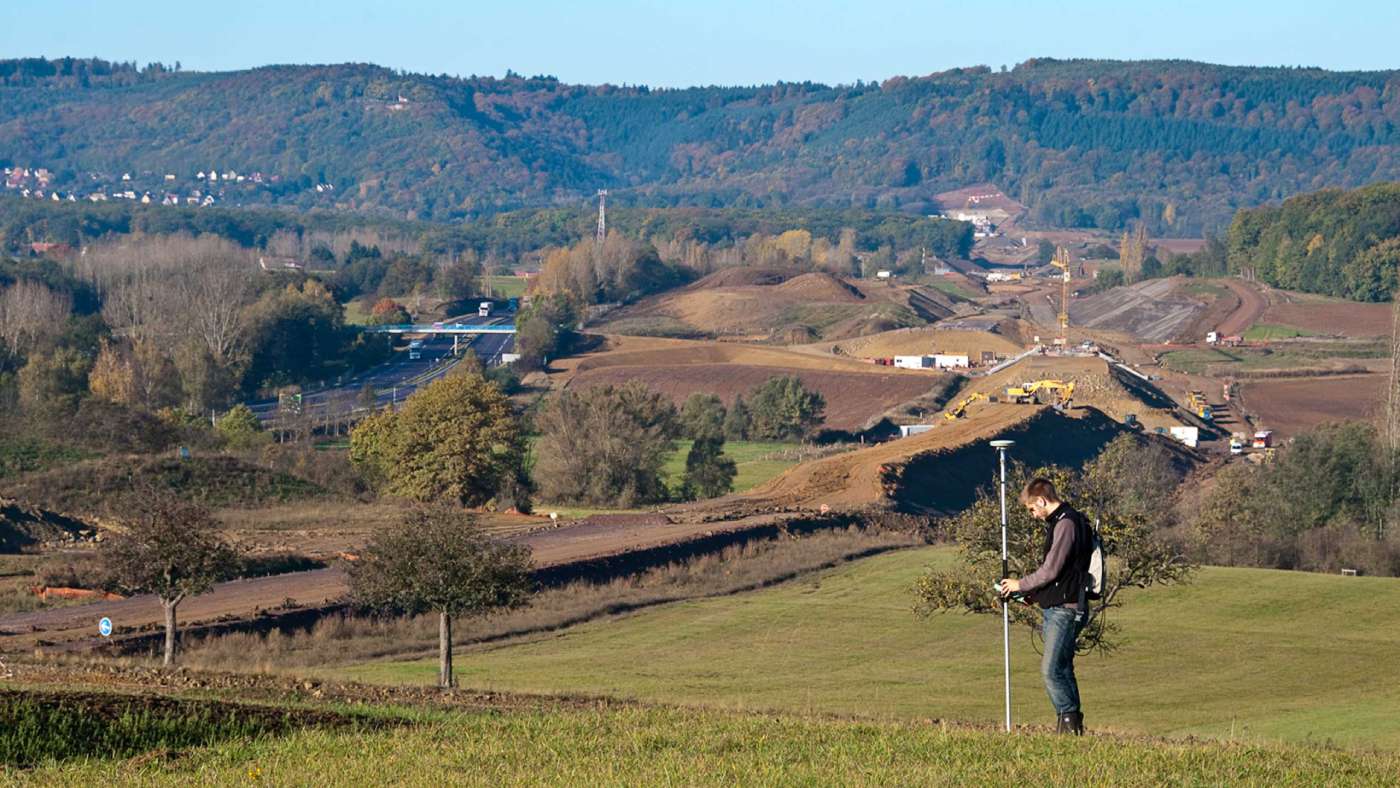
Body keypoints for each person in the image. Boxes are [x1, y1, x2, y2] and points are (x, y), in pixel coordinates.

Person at [998, 477, 1094, 735]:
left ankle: (1068, 726)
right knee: (1063, 668)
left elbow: (1051, 570)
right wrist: (1035, 596)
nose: (1033, 515)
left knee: (1051, 670)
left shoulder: (1066, 524)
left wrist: (1021, 585)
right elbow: (1063, 574)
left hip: (1066, 609)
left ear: (1041, 500)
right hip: (1062, 605)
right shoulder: (1069, 521)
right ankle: (1072, 728)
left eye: (1032, 509)